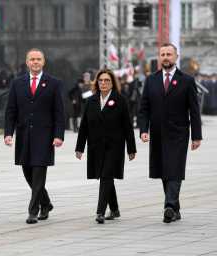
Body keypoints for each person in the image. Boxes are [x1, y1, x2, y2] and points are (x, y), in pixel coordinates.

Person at [138, 43, 202, 223]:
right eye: (162, 54)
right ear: (159, 57)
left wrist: (197, 135)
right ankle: (175, 208)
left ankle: (169, 206)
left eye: (169, 54)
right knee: (164, 170)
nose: (165, 57)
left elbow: (194, 110)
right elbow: (144, 108)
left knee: (174, 168)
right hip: (157, 133)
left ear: (176, 57)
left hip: (178, 133)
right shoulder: (151, 80)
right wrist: (144, 129)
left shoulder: (187, 80)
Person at [4, 48, 65, 224]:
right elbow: (11, 110)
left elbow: (59, 112)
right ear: (27, 62)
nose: (35, 62)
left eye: (38, 59)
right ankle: (46, 203)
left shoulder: (53, 83)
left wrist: (58, 135)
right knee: (27, 172)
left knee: (39, 172)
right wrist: (9, 133)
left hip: (44, 137)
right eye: (32, 59)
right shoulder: (17, 83)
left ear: (43, 62)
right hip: (24, 135)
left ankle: (33, 210)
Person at [75, 68, 136, 224]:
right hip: (96, 146)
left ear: (112, 83)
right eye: (100, 80)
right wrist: (80, 147)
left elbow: (127, 126)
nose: (103, 83)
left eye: (107, 80)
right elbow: (84, 127)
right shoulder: (91, 101)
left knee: (106, 176)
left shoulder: (120, 100)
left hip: (114, 146)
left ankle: (100, 212)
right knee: (106, 177)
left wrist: (131, 148)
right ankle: (114, 209)